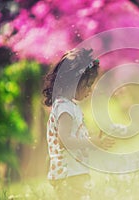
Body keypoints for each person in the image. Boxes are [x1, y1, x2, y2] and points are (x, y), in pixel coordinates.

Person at [42, 48, 114, 200]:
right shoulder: (64, 108)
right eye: (87, 85)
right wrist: (91, 142)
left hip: (75, 171)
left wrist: (95, 142)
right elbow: (65, 141)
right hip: (68, 173)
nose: (90, 90)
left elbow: (73, 137)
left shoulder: (70, 106)